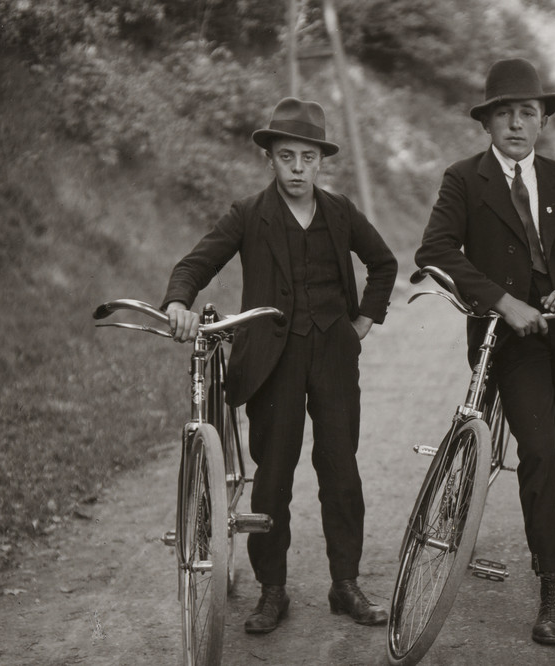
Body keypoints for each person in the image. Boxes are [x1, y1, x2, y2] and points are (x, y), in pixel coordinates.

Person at [161, 97, 398, 635]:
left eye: (307, 157)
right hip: (274, 361)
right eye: (286, 155)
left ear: (320, 161)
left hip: (334, 356)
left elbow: (383, 263)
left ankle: (346, 584)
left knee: (341, 469)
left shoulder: (340, 211)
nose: (297, 168)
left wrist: (362, 322)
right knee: (274, 475)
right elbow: (196, 262)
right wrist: (178, 300)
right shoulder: (248, 214)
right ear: (270, 157)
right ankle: (272, 590)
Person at [415, 58, 555, 646]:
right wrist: (504, 302)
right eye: (504, 114)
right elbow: (437, 250)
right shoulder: (463, 179)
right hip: (511, 339)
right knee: (541, 453)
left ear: (542, 122)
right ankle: (550, 582)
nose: (516, 124)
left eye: (527, 113)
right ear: (488, 124)